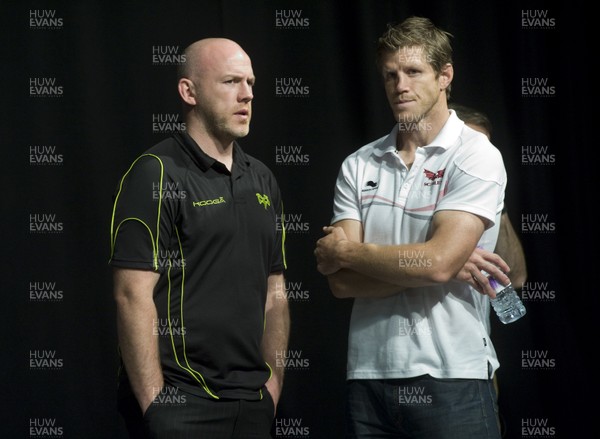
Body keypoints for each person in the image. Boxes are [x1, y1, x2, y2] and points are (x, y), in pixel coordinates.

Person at [315, 17, 509, 438]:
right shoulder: (358, 163)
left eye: (413, 71)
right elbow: (342, 285)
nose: (400, 84)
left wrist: (350, 253)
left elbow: (437, 264)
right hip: (368, 375)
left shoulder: (475, 154)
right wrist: (430, 265)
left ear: (445, 76)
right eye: (390, 74)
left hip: (452, 376)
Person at [109, 38, 289, 438]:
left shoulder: (262, 178)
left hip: (255, 404)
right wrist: (156, 403)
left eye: (251, 82)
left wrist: (272, 384)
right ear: (189, 91)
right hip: (182, 405)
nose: (247, 95)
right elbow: (131, 295)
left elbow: (275, 289)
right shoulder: (156, 173)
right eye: (230, 82)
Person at [449, 103, 527, 289]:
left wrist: (495, 201)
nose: (480, 158)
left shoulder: (488, 196)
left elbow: (515, 278)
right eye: (471, 148)